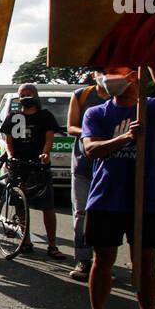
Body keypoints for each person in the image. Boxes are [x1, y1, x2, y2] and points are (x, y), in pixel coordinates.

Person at [73, 66, 155, 309]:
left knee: (145, 263)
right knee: (102, 261)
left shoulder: (152, 108)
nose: (108, 77)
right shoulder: (96, 113)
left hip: (148, 197)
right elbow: (91, 149)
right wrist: (124, 138)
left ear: (133, 75)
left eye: (114, 70)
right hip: (107, 197)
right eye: (104, 72)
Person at [2, 83, 65, 259]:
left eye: (29, 93)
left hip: (39, 166)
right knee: (20, 205)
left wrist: (45, 154)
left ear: (36, 96)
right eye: (22, 94)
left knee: (48, 206)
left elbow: (49, 139)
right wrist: (11, 155)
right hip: (18, 165)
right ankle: (25, 241)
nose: (26, 96)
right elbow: (8, 141)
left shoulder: (45, 116)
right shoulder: (14, 117)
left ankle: (52, 245)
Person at [66, 74, 110, 280]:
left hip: (111, 167)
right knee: (81, 215)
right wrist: (91, 133)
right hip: (83, 166)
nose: (108, 76)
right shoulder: (82, 95)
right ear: (95, 74)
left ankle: (104, 263)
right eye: (103, 71)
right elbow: (71, 127)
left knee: (107, 217)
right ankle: (83, 259)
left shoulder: (128, 97)